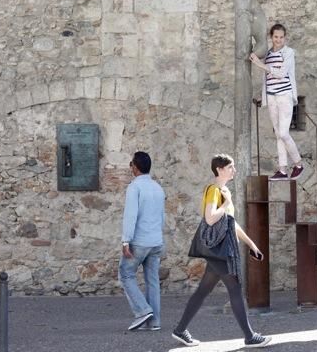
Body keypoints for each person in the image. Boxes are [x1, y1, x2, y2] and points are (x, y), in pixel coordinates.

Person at [171, 154, 272, 349]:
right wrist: (226, 204)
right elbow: (210, 218)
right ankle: (250, 336)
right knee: (235, 289)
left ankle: (180, 330)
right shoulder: (214, 190)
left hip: (219, 249)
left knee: (203, 291)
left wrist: (252, 245)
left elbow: (230, 224)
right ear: (219, 169)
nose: (234, 170)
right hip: (219, 250)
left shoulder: (224, 191)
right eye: (231, 167)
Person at [250, 23, 303, 181]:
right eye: (275, 37)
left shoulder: (288, 52)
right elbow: (268, 77)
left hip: (284, 96)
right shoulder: (268, 53)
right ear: (271, 37)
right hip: (272, 96)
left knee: (283, 133)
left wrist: (260, 64)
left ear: (284, 38)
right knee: (278, 135)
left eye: (281, 37)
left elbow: (280, 73)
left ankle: (299, 164)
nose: (278, 40)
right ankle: (282, 169)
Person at [119, 151, 166, 331]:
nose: (131, 167)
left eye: (131, 164)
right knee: (152, 280)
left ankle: (143, 310)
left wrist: (125, 241)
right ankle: (155, 322)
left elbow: (130, 216)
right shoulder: (158, 188)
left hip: (139, 241)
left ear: (135, 167)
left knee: (126, 274)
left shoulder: (134, 187)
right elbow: (163, 217)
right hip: (156, 241)